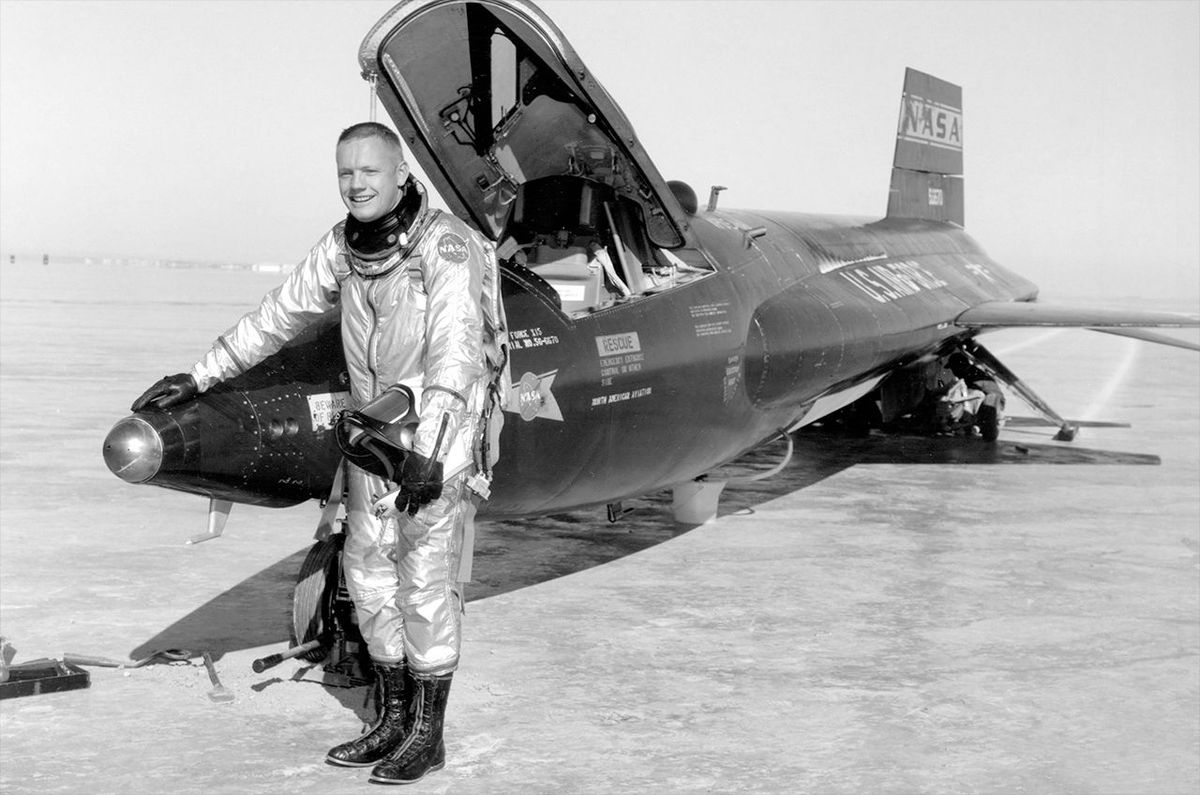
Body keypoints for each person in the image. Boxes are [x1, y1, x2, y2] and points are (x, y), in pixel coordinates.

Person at [131, 122, 506, 785]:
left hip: (431, 433)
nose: (357, 184)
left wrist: (436, 452)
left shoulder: (442, 245)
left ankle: (428, 732)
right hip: (372, 434)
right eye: (345, 173)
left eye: (369, 172)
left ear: (398, 174)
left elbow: (455, 350)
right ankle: (391, 716)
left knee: (423, 581)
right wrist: (202, 374)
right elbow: (280, 313)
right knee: (367, 572)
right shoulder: (344, 244)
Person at [946, 351, 1005, 440]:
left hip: (992, 400)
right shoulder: (972, 372)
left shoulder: (972, 377)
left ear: (960, 367)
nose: (953, 373)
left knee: (989, 435)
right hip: (995, 400)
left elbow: (973, 397)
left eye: (954, 369)